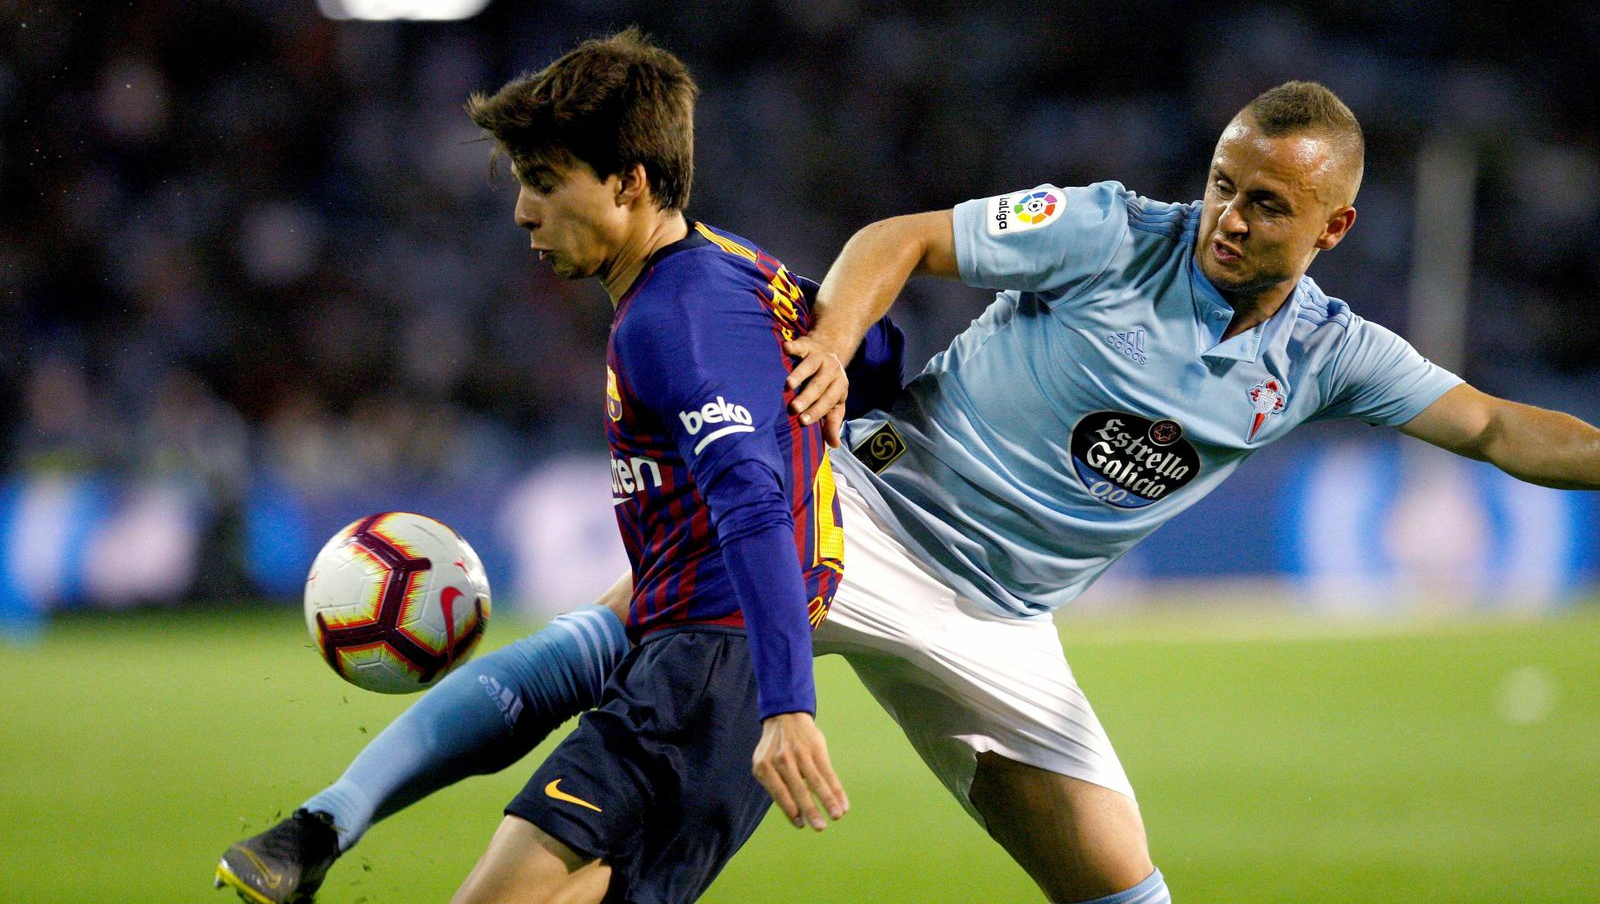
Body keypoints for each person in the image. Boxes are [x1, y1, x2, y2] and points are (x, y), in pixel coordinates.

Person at [222, 80, 1600, 904]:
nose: (1228, 214)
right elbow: (903, 238)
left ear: (1333, 227)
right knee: (624, 628)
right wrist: (826, 342)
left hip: (1006, 622)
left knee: (1122, 882)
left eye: (1265, 206)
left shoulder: (1329, 354)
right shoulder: (1118, 230)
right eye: (1225, 182)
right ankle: (333, 810)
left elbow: (1494, 424)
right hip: (876, 511)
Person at [216, 29, 875, 904]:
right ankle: (332, 818)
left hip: (704, 677)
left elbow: (752, 502)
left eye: (545, 182)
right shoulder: (737, 271)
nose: (523, 211)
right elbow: (879, 377)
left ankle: (333, 817)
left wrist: (790, 702)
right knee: (582, 646)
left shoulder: (673, 319)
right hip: (704, 668)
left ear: (629, 184)